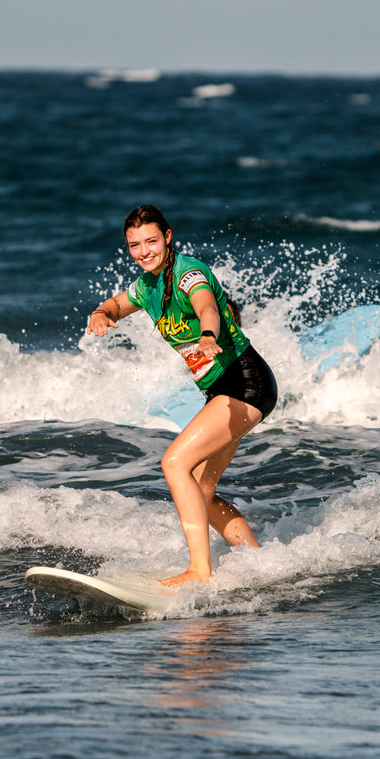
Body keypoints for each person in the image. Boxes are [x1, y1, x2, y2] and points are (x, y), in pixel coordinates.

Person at [85, 205, 278, 586]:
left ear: (168, 238)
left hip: (245, 382)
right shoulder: (147, 286)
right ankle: (260, 567)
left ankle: (199, 572)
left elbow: (206, 305)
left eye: (151, 242)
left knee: (174, 464)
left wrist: (209, 336)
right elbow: (118, 304)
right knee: (202, 494)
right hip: (223, 392)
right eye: (135, 245)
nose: (144, 251)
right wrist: (101, 313)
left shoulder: (189, 273)